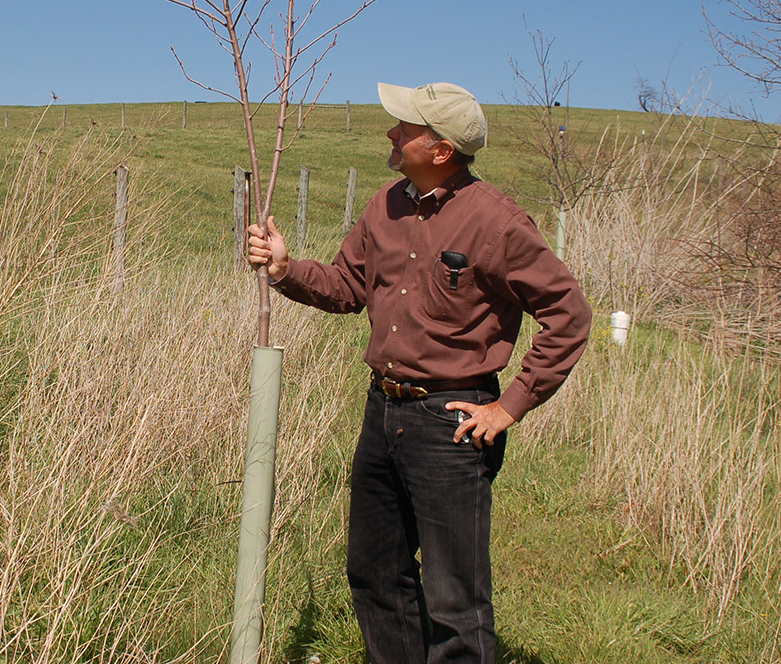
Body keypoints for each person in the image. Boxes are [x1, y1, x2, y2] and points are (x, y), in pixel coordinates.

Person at [247, 82, 591, 663]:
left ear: (441, 150)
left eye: (405, 129)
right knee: (374, 573)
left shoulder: (496, 221)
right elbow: (347, 287)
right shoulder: (386, 204)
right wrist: (285, 271)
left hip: (451, 423)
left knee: (456, 602)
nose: (391, 134)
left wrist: (509, 406)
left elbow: (568, 313)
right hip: (382, 411)